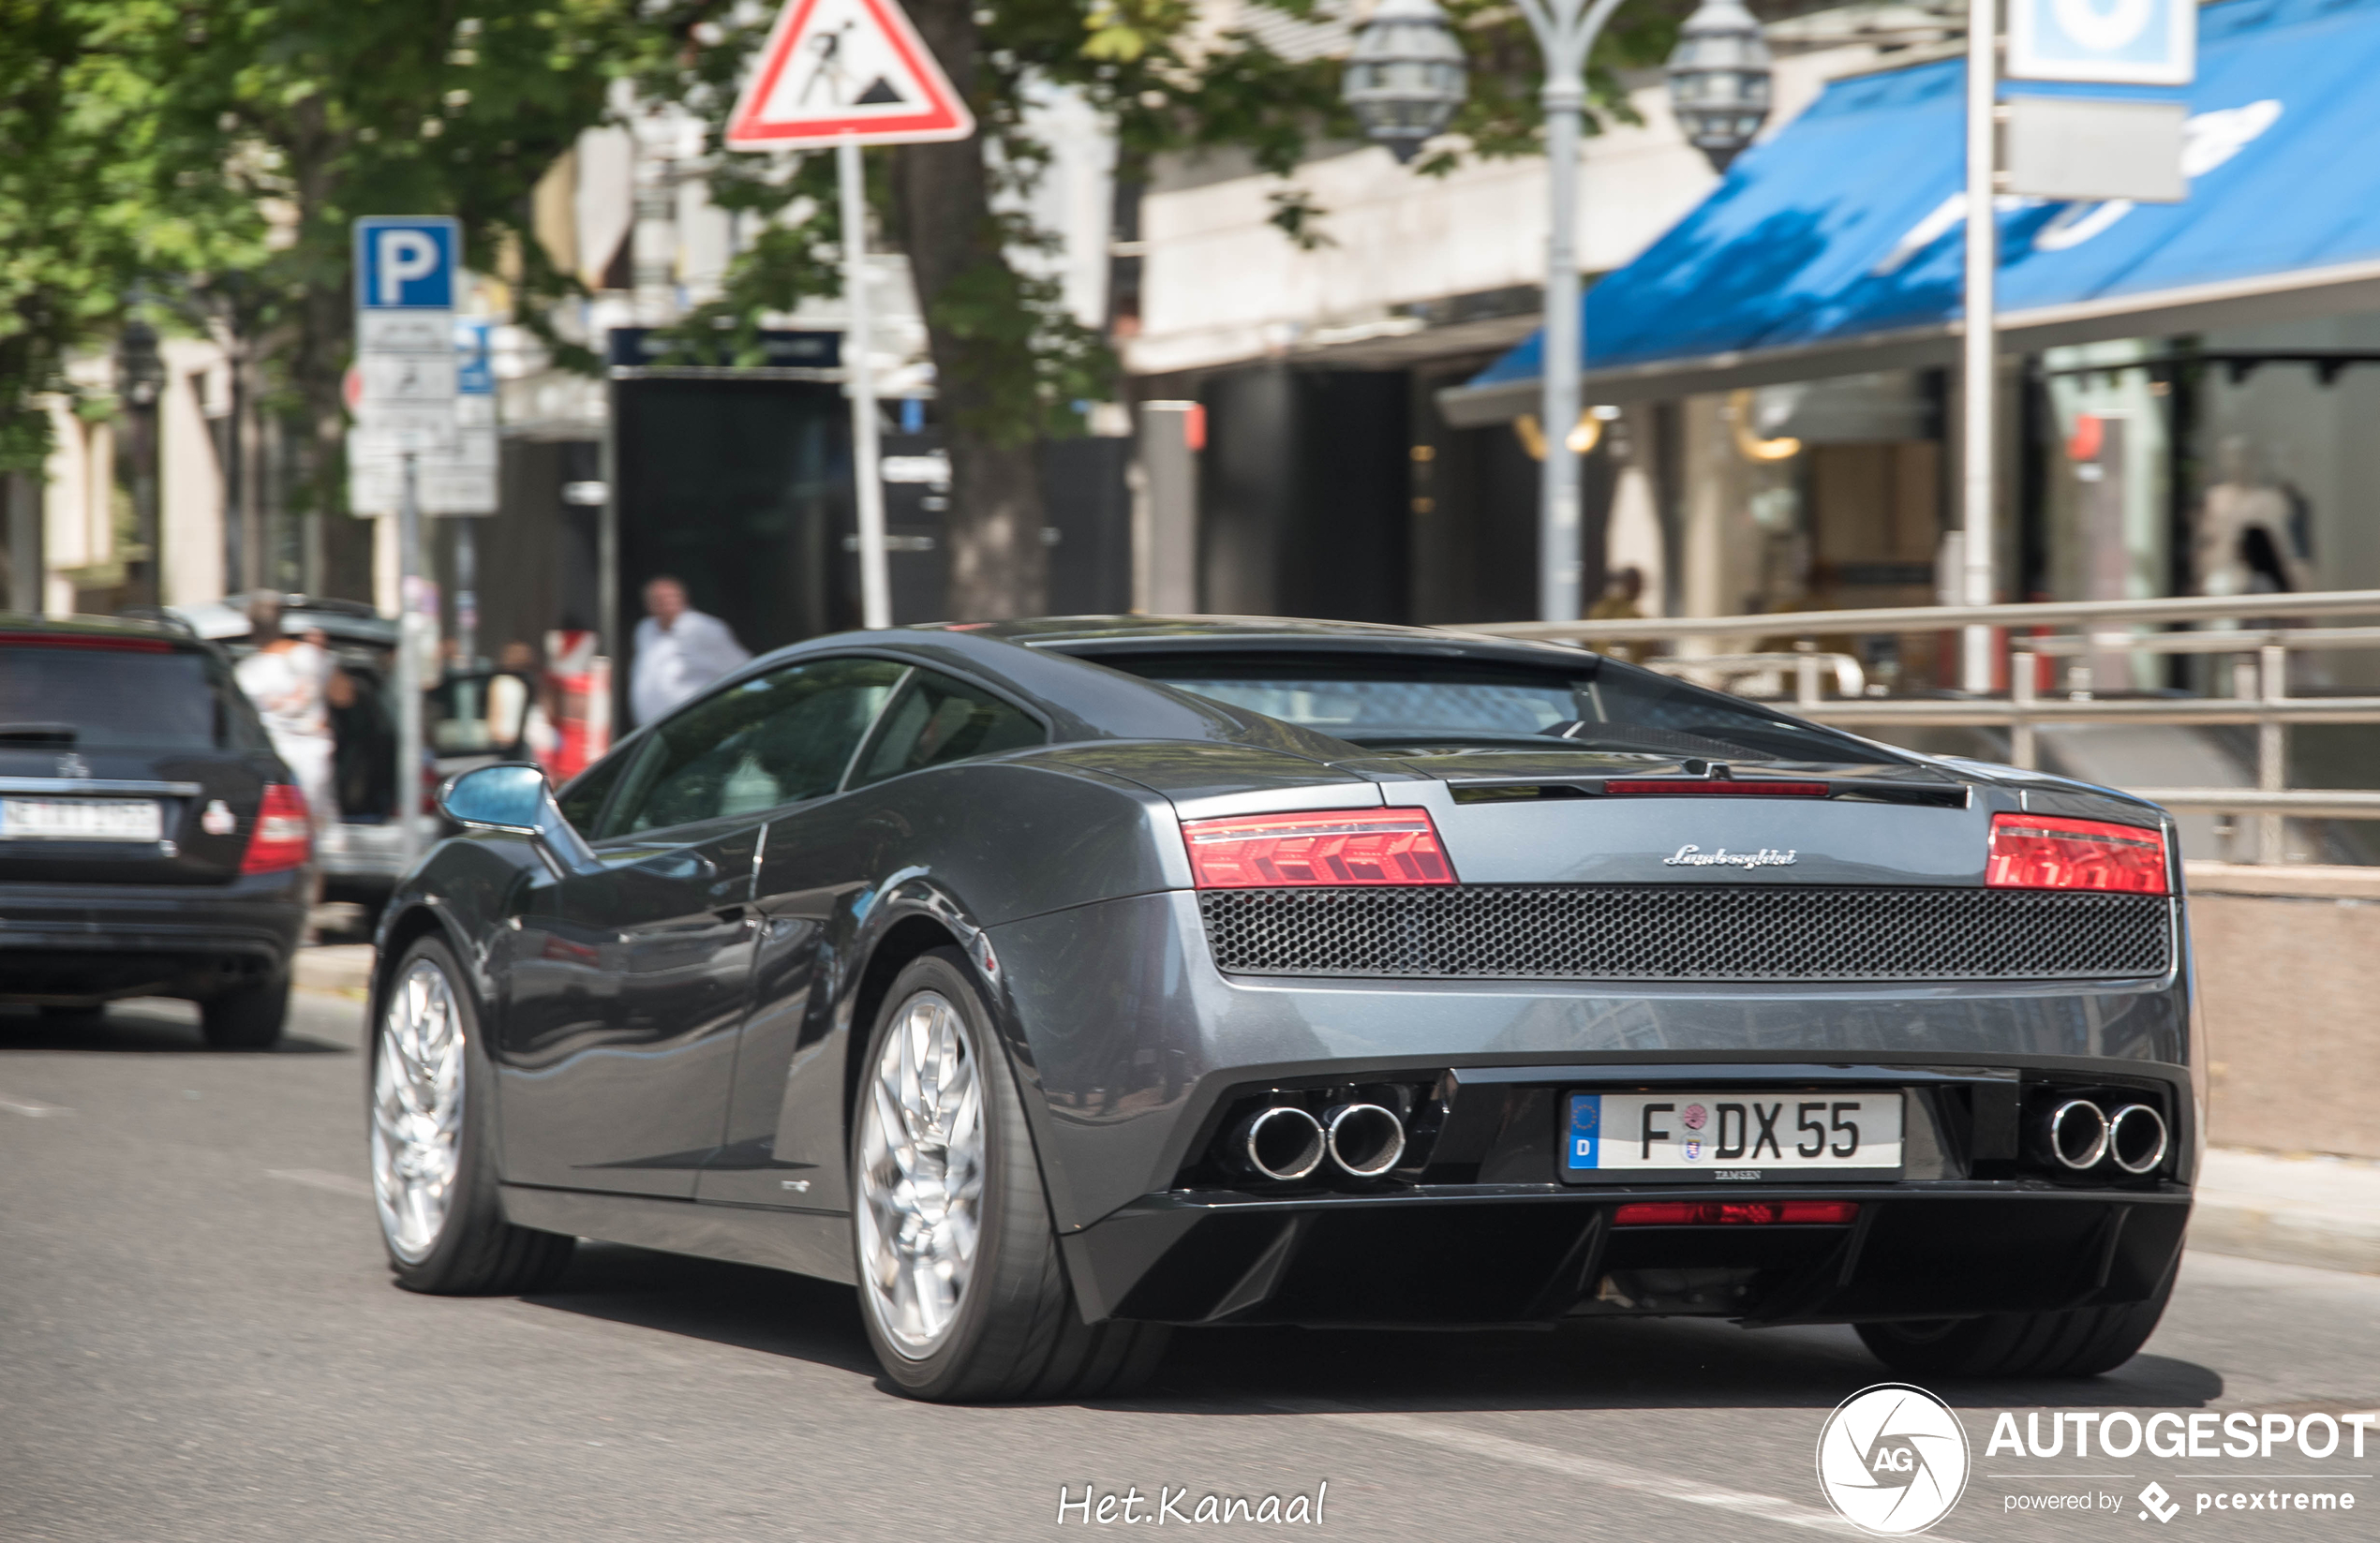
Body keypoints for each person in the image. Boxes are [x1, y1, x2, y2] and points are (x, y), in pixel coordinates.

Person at [233, 592, 339, 844]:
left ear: (252, 628)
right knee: (314, 836)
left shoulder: (246, 673)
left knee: (283, 837)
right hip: (314, 759)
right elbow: (345, 697)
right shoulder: (311, 656)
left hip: (271, 763)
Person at [631, 576, 750, 726]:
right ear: (648, 604)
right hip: (653, 729)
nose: (665, 603)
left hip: (697, 726)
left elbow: (741, 668)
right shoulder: (645, 629)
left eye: (670, 597)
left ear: (683, 598)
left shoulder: (704, 628)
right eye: (658, 599)